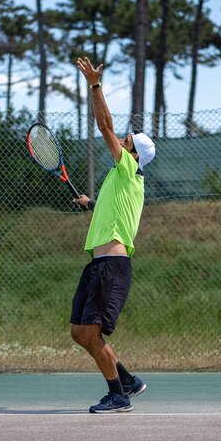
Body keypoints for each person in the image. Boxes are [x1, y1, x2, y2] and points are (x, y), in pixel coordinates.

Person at [71, 56, 156, 414]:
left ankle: (118, 395)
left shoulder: (129, 169)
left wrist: (94, 85)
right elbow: (110, 209)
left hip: (112, 266)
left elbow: (104, 126)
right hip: (99, 264)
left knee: (92, 333)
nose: (121, 138)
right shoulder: (118, 181)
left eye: (127, 140)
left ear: (134, 153)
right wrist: (91, 203)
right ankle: (129, 381)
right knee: (79, 332)